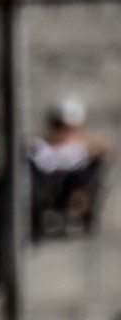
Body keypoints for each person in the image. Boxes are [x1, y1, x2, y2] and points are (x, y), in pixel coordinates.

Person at [28, 97, 111, 241]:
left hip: (73, 187)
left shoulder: (85, 148)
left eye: (69, 127)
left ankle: (76, 214)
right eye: (59, 126)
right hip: (47, 187)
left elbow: (106, 150)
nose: (64, 132)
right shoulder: (40, 147)